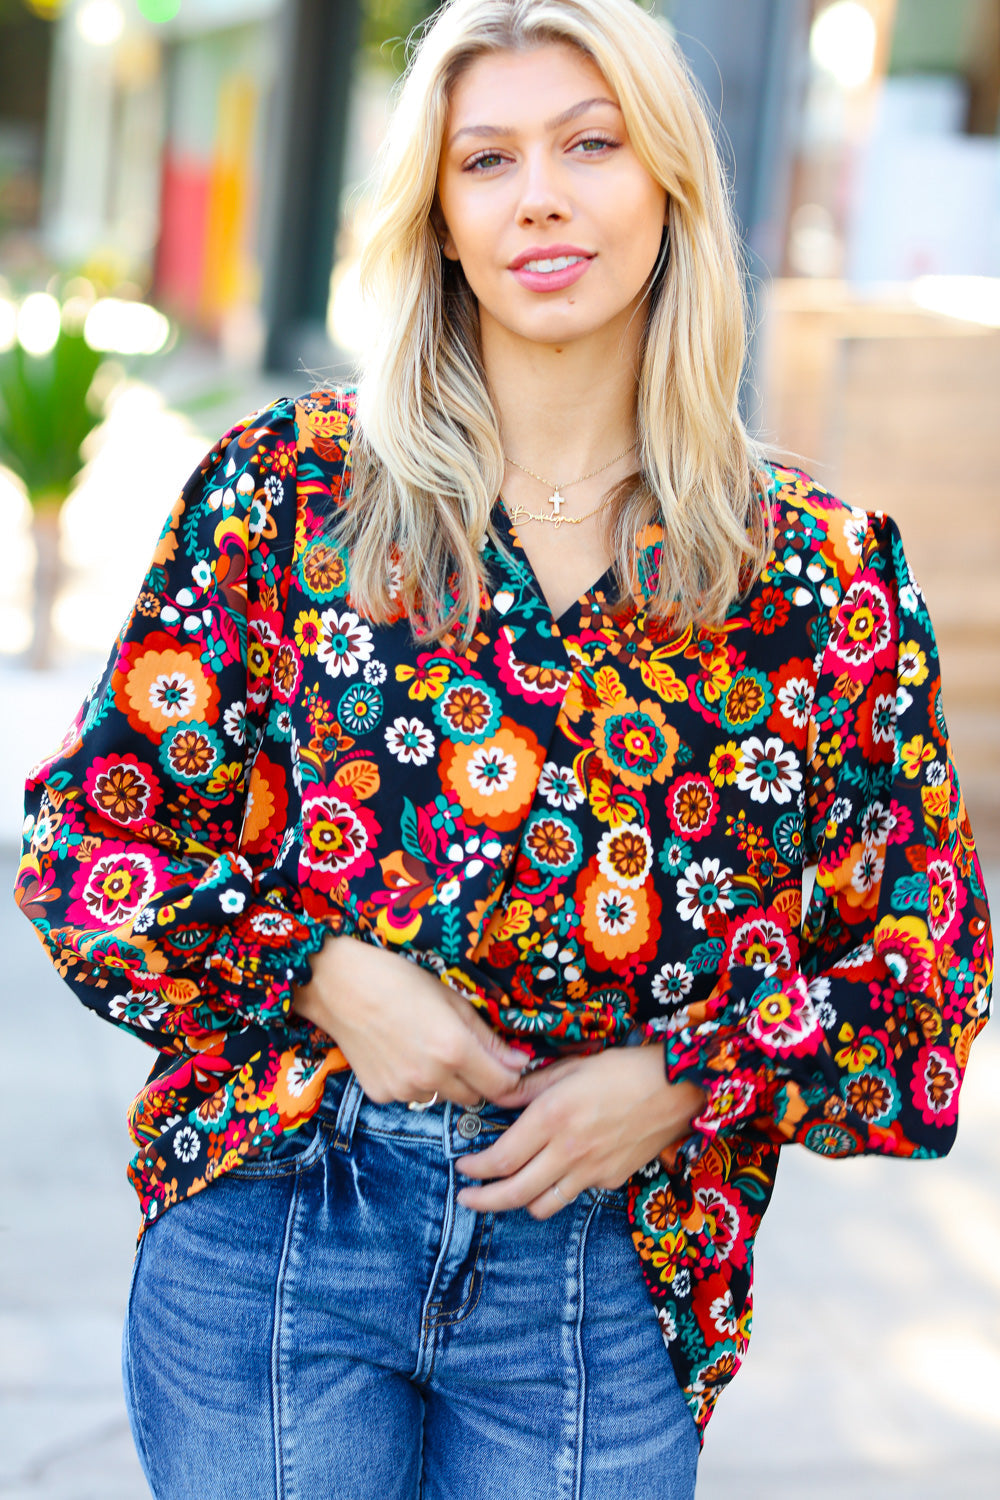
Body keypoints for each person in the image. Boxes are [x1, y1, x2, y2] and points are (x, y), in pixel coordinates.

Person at [14, 1, 993, 1496]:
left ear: (668, 186)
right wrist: (330, 978)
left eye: (591, 144)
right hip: (283, 1215)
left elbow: (927, 964)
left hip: (608, 1269)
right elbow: (93, 841)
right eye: (489, 159)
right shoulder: (288, 496)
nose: (541, 191)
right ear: (442, 222)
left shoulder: (816, 572)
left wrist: (687, 1073)